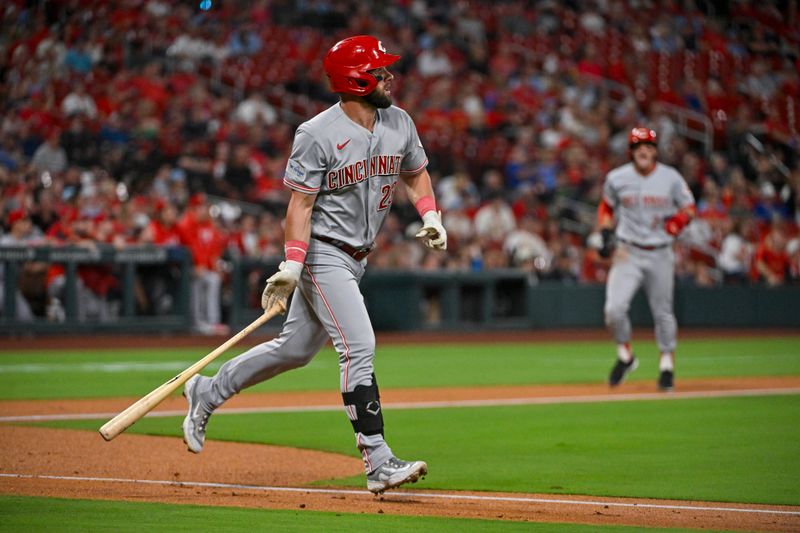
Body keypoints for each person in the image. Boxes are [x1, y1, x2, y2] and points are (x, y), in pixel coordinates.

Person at [181, 36, 447, 494]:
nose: (388, 77)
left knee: (294, 350)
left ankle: (208, 391)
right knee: (359, 345)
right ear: (355, 79)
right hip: (324, 252)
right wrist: (292, 264)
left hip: (358, 256)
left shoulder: (399, 122)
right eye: (379, 72)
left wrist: (430, 213)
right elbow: (299, 206)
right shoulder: (316, 133)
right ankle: (377, 459)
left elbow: (415, 171)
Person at [594, 127, 695, 391]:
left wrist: (677, 222)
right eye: (638, 146)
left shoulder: (670, 178)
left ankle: (666, 365)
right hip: (628, 251)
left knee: (663, 313)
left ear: (655, 150)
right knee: (613, 310)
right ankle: (626, 355)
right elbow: (606, 206)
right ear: (630, 151)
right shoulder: (617, 178)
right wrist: (605, 232)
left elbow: (689, 206)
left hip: (660, 251)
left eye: (649, 145)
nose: (644, 150)